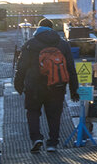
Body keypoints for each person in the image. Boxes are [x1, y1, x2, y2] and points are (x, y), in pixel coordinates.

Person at [13, 18, 79, 152]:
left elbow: (22, 66)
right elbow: (71, 68)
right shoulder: (62, 44)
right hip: (57, 86)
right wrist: (74, 89)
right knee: (54, 115)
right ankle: (52, 143)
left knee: (33, 112)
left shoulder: (30, 44)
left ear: (38, 28)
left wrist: (18, 84)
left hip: (34, 86)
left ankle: (36, 138)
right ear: (52, 29)